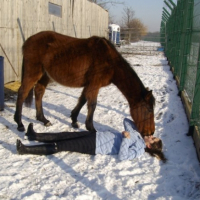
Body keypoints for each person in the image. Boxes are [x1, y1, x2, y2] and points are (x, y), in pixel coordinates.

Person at [16, 118, 166, 162]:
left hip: (95, 146)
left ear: (150, 146)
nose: (151, 136)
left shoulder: (139, 150)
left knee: (61, 145)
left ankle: (25, 150)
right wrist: (138, 129)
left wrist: (126, 139)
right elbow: (126, 120)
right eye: (153, 135)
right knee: (63, 135)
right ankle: (33, 136)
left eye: (153, 138)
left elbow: (123, 157)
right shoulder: (138, 135)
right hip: (96, 135)